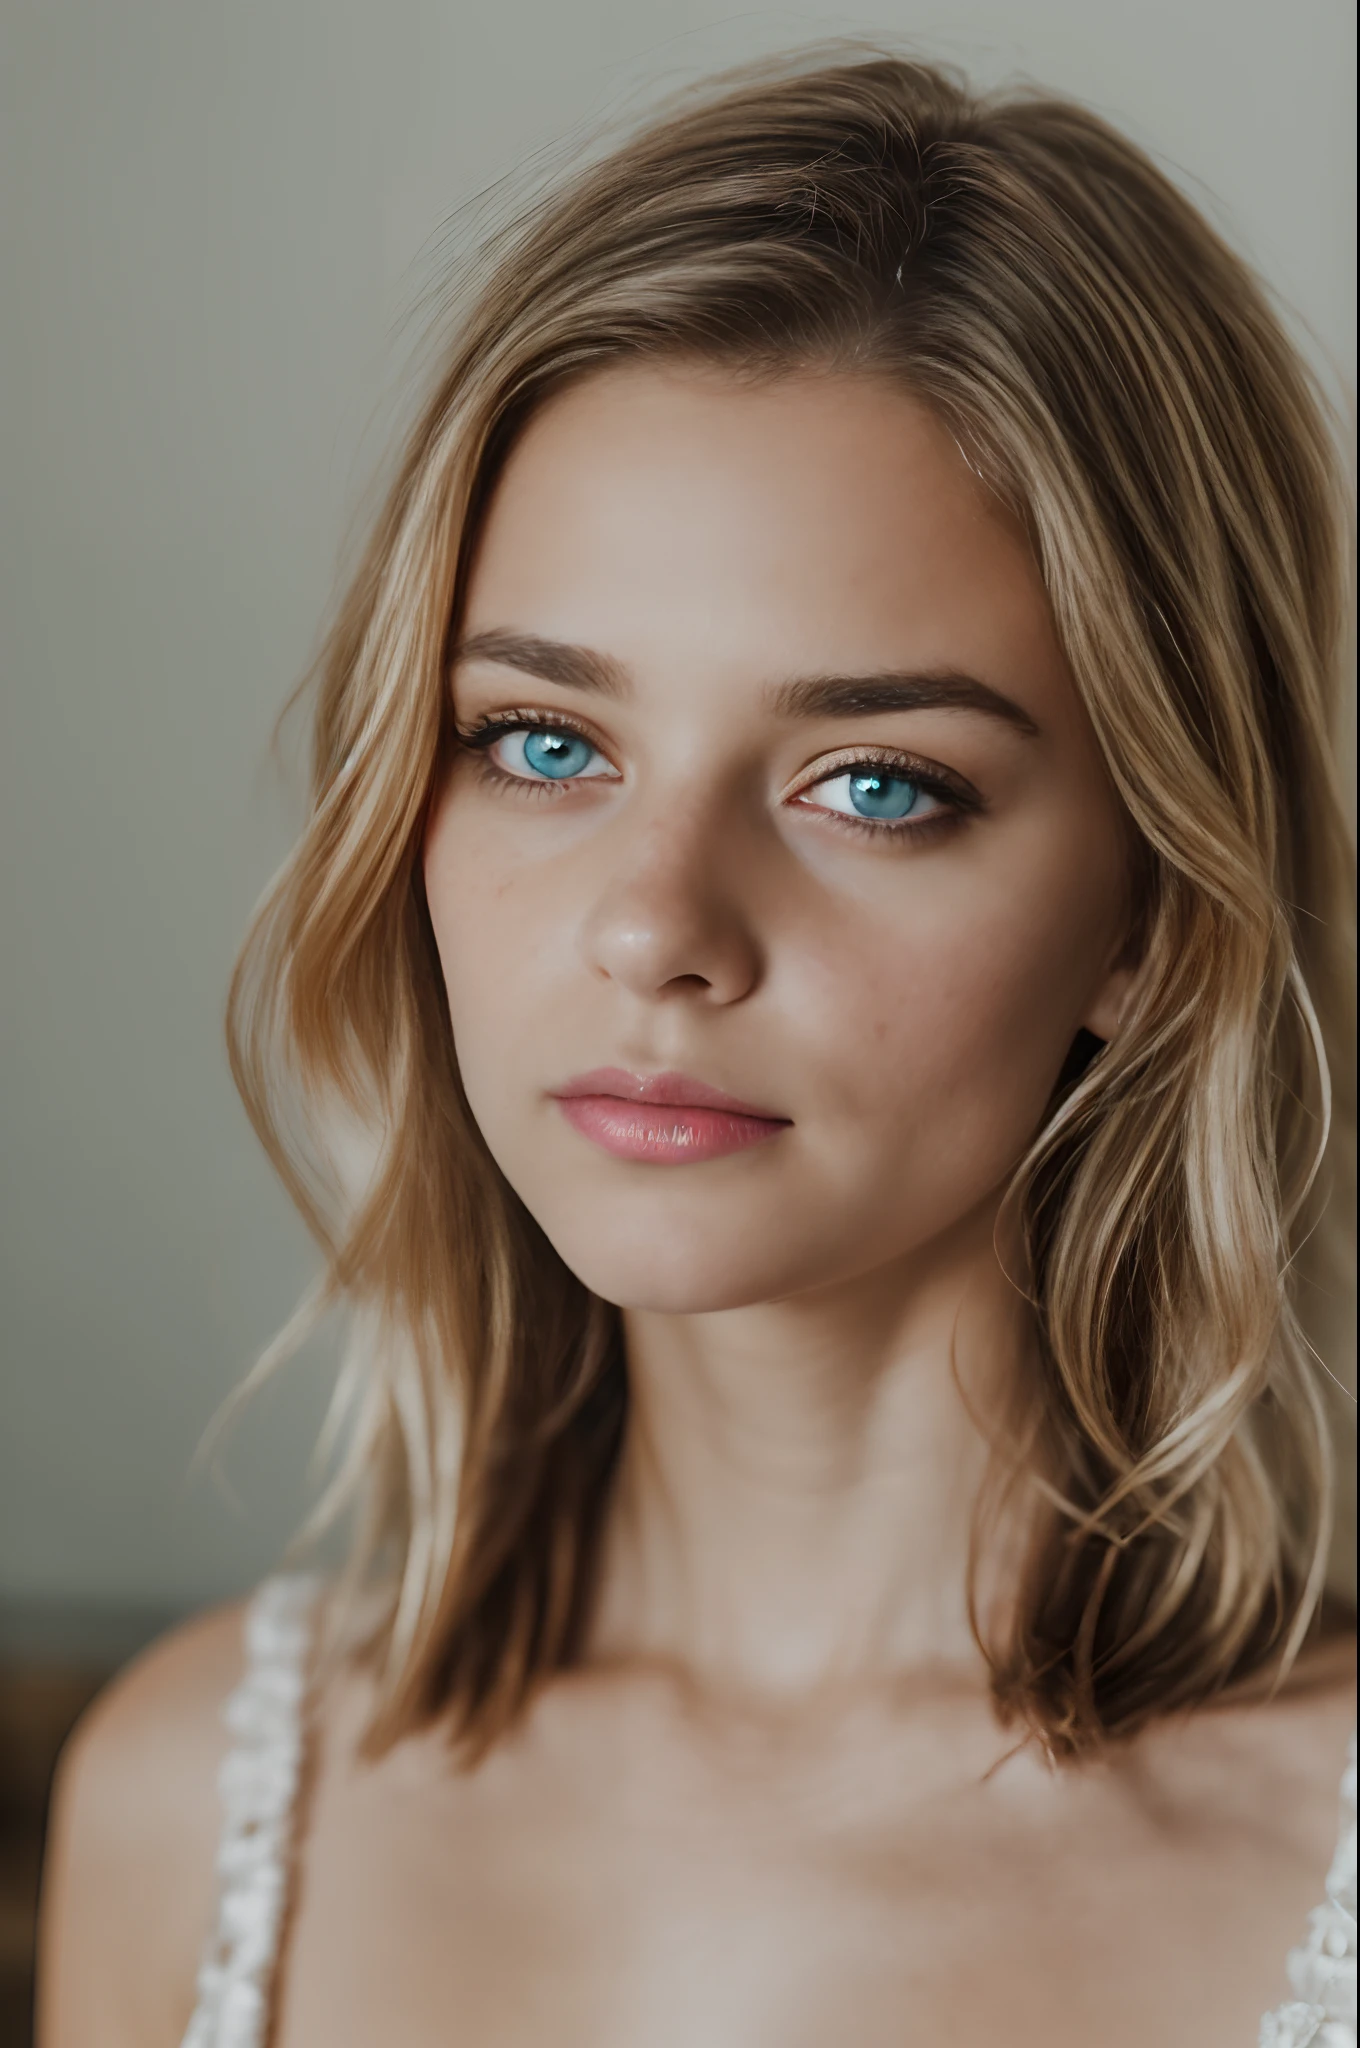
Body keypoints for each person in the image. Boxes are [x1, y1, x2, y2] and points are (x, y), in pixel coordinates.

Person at [36, 53, 1356, 2048]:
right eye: (542, 743)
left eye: (872, 784)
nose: (654, 922)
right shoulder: (195, 1802)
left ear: (1155, 907)